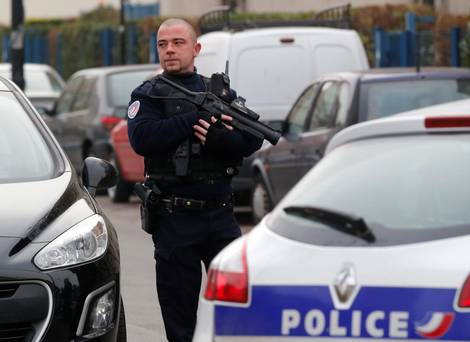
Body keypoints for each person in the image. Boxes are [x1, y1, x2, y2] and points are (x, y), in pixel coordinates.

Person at [127, 18, 262, 342]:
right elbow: (143, 139)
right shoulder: (148, 95)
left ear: (196, 48)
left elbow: (253, 138)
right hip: (175, 220)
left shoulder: (218, 92)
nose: (170, 50)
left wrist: (219, 140)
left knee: (235, 315)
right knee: (180, 320)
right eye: (163, 44)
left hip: (221, 217)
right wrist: (192, 119)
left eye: (178, 43)